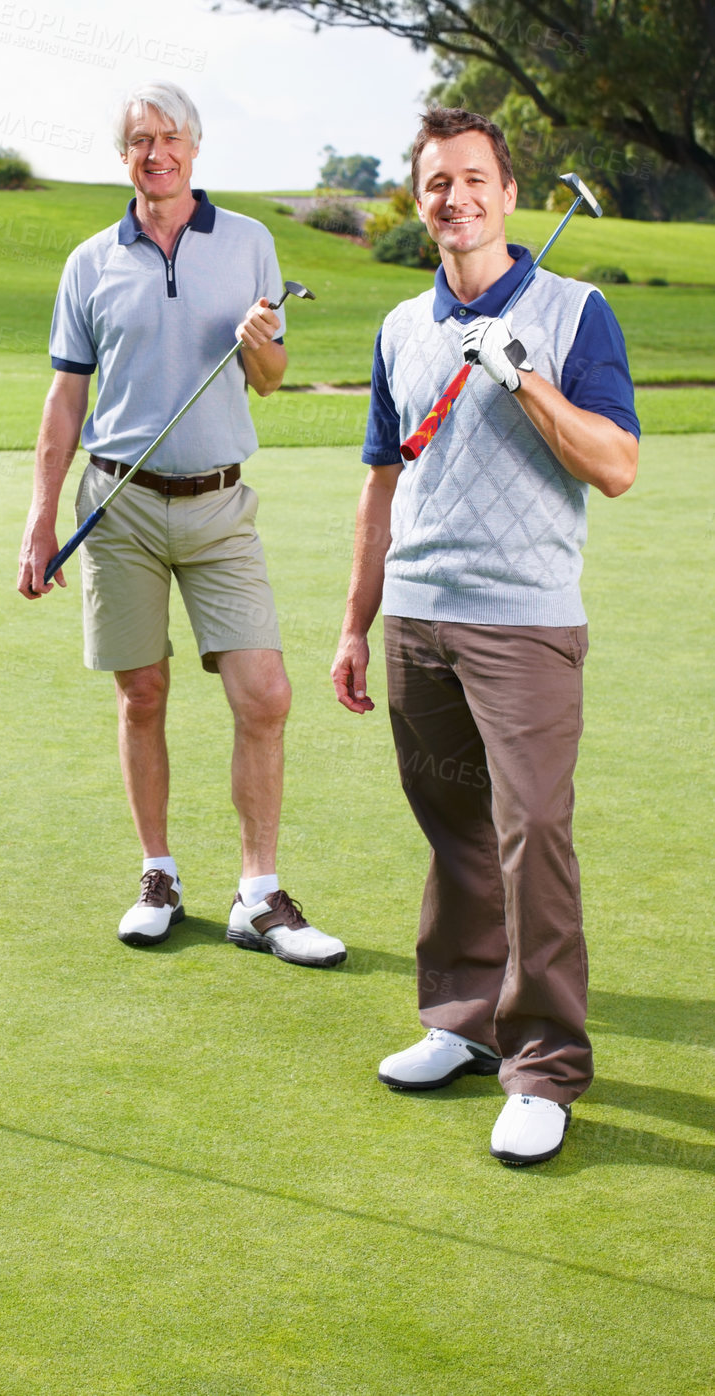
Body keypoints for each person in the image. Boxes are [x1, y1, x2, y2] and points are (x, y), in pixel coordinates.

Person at [331, 107, 639, 1166]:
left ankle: (543, 1064)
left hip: (524, 622)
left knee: (530, 834)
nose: (454, 199)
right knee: (454, 828)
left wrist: (523, 376)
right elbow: (381, 485)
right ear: (417, 203)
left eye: (472, 180)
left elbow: (614, 464)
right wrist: (354, 623)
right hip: (418, 614)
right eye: (434, 185)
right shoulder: (396, 331)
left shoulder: (572, 311)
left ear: (507, 195)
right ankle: (461, 1021)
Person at [19, 82, 345, 966]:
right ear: (122, 155)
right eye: (139, 140)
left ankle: (259, 895)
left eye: (170, 138)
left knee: (264, 694)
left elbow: (273, 378)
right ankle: (158, 873)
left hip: (220, 505)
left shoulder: (249, 243)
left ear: (195, 149)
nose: (155, 152)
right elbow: (65, 398)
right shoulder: (90, 261)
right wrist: (39, 520)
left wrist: (258, 342)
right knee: (142, 694)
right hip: (117, 506)